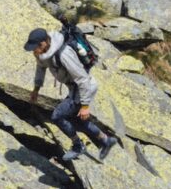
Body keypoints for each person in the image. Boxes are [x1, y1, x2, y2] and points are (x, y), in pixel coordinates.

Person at [26, 27, 119, 162]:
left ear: (44, 43)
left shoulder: (64, 54)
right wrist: (36, 90)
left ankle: (78, 145)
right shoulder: (42, 55)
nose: (33, 51)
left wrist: (85, 105)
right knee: (78, 120)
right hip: (74, 89)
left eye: (34, 48)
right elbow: (40, 69)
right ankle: (106, 140)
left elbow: (82, 78)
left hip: (84, 88)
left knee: (57, 116)